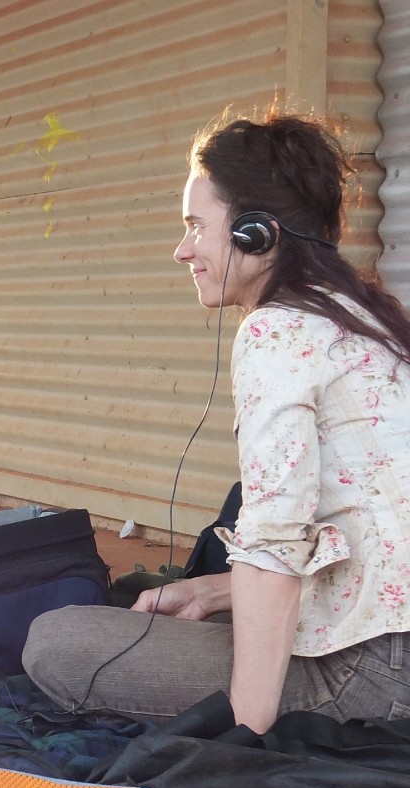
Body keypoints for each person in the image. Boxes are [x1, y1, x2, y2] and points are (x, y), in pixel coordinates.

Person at [24, 112, 410, 733]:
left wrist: (245, 738)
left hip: (376, 675)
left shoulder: (278, 330)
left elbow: (277, 549)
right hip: (390, 644)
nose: (183, 250)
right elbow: (373, 537)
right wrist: (212, 591)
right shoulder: (364, 318)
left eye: (197, 227)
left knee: (57, 642)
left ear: (258, 234)